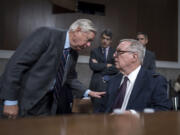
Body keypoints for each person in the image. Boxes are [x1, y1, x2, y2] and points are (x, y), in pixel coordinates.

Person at [0, 19, 105, 119]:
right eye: (89, 40)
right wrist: (10, 101)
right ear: (77, 30)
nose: (89, 45)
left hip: (46, 105)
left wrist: (87, 92)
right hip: (22, 100)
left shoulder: (74, 53)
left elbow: (70, 78)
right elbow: (16, 65)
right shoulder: (46, 35)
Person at [99, 39, 171, 113]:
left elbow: (163, 110)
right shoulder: (113, 81)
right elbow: (101, 110)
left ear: (134, 57)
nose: (114, 55)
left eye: (119, 52)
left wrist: (134, 114)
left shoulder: (154, 81)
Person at [89, 29, 118, 112]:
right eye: (103, 38)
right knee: (96, 112)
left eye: (107, 39)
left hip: (110, 85)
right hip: (96, 85)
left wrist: (100, 66)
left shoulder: (115, 52)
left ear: (111, 41)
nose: (105, 41)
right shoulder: (94, 51)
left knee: (109, 113)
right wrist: (107, 65)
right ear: (100, 38)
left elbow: (116, 68)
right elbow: (93, 66)